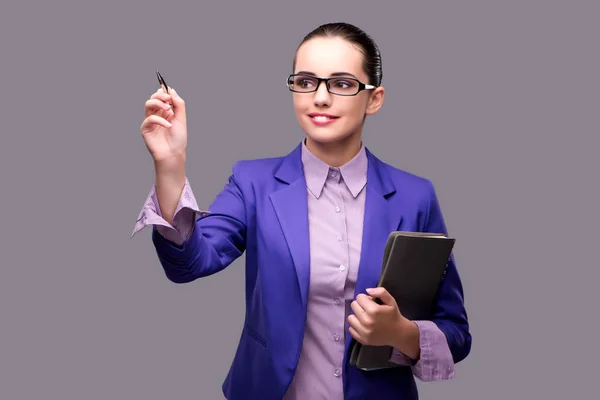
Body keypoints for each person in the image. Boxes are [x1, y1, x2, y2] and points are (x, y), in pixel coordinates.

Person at [132, 22, 471, 400]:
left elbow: (455, 333)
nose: (320, 98)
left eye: (341, 84)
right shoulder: (252, 182)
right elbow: (188, 264)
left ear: (374, 99)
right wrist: (171, 163)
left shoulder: (415, 197)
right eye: (307, 82)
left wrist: (402, 334)